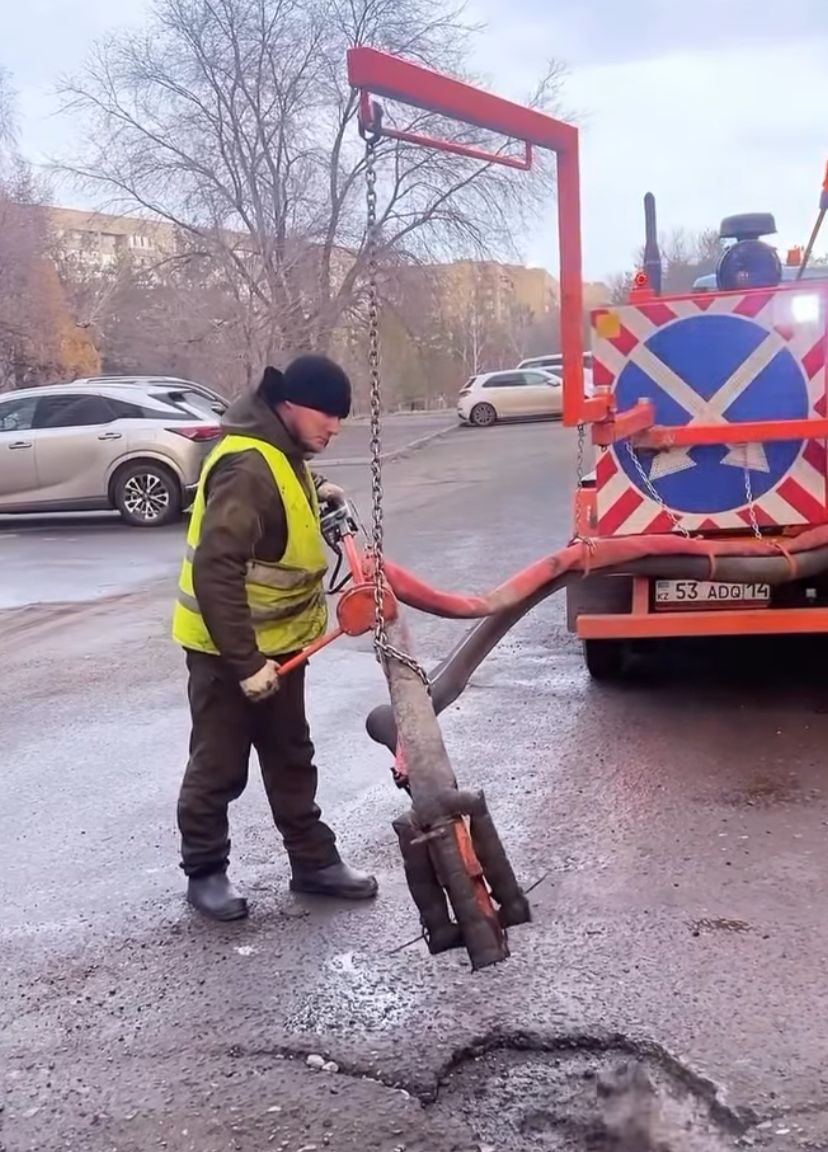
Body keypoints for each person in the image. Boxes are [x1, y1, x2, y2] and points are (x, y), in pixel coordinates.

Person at [171, 354, 379, 921]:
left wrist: (317, 487)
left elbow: (284, 485)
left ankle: (313, 862)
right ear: (288, 405)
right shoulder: (246, 468)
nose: (334, 427)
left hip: (282, 645)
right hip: (226, 652)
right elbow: (216, 569)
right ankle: (206, 872)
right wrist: (244, 664)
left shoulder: (280, 452)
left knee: (291, 754)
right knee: (219, 765)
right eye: (327, 415)